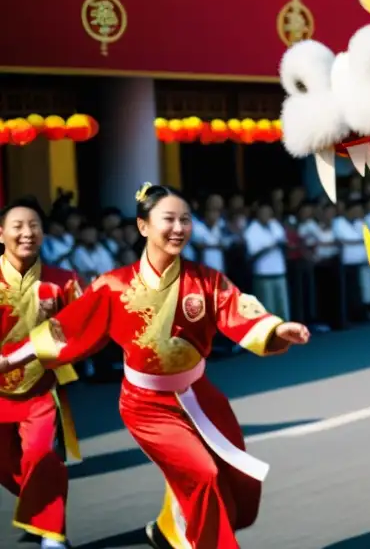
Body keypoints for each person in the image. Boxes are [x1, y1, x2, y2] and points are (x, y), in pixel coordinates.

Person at [0, 184, 310, 549]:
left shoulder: (205, 280)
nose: (179, 228)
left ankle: (168, 530)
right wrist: (10, 358)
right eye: (169, 219)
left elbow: (237, 308)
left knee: (236, 480)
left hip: (200, 396)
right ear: (143, 226)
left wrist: (276, 328)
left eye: (185, 220)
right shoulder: (113, 286)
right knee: (203, 474)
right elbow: (65, 329)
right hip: (147, 404)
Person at [0, 198, 81, 549]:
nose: (26, 233)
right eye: (17, 226)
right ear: (1, 233)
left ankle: (52, 532)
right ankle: (39, 509)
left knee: (40, 455)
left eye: (33, 225)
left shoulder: (62, 282)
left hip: (41, 389)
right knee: (6, 465)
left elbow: (83, 326)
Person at [243, 202, 290, 322]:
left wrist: (282, 245)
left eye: (268, 212)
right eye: (263, 212)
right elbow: (251, 255)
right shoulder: (251, 229)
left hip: (279, 272)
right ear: (258, 214)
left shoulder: (275, 225)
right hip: (263, 275)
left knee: (282, 307)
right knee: (267, 309)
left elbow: (284, 243)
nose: (266, 215)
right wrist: (269, 248)